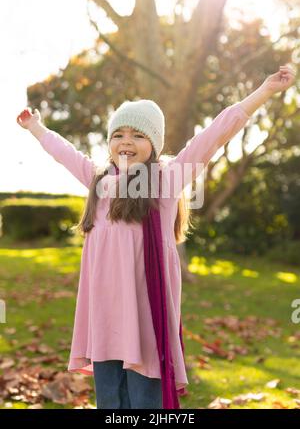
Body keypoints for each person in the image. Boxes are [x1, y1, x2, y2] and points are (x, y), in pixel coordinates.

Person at [16, 65, 296, 409]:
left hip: (144, 317)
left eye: (137, 135)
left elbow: (214, 134)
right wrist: (35, 127)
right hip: (104, 317)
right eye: (118, 135)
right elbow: (64, 152)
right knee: (110, 401)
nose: (126, 142)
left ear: (155, 144)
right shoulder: (98, 180)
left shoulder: (166, 181)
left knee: (144, 401)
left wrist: (264, 91)